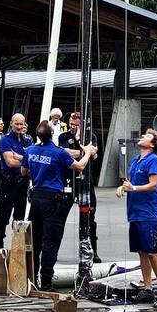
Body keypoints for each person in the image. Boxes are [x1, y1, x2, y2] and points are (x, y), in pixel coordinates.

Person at [22, 120, 96, 291]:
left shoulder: (31, 150)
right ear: (53, 134)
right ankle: (46, 281)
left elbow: (23, 172)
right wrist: (87, 152)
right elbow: (79, 167)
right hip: (53, 200)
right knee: (51, 241)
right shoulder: (58, 152)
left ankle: (31, 279)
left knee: (35, 241)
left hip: (36, 199)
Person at [123, 128, 157, 309]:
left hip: (148, 213)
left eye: (147, 136)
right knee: (142, 251)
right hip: (134, 211)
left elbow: (153, 185)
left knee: (151, 251)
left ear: (152, 144)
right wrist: (126, 186)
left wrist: (133, 188)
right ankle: (148, 288)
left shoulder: (154, 160)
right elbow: (131, 181)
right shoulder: (135, 160)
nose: (143, 136)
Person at [58, 112, 102, 262]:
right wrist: (85, 152)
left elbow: (95, 153)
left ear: (82, 126)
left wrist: (79, 140)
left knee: (91, 217)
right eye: (71, 124)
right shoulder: (63, 137)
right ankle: (54, 250)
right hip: (69, 180)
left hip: (86, 180)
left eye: (76, 125)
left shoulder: (91, 137)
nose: (72, 127)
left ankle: (93, 251)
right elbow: (65, 153)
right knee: (60, 216)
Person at [0, 113, 32, 249]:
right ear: (11, 123)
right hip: (8, 182)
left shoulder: (27, 140)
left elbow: (31, 159)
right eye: (17, 124)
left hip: (22, 182)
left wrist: (21, 159)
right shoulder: (5, 140)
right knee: (4, 215)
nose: (19, 127)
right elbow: (10, 162)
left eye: (22, 124)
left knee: (20, 217)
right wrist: (25, 161)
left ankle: (17, 248)